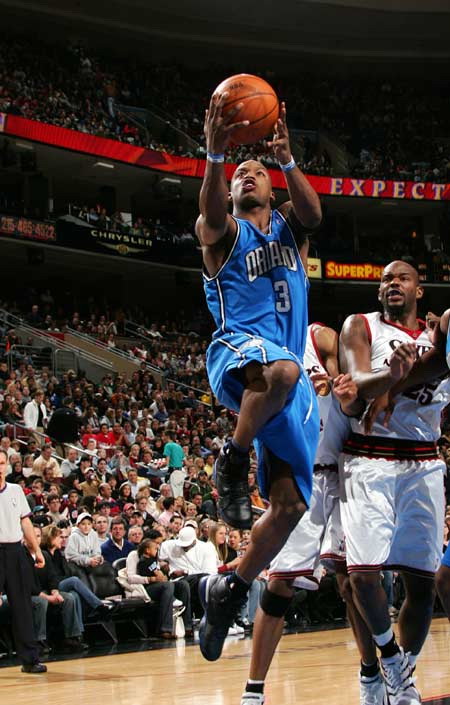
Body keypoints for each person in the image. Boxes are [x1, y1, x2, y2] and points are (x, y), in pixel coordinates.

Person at [196, 92, 321, 661]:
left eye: (256, 171)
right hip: (239, 352)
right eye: (238, 175)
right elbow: (210, 214)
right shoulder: (224, 233)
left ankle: (229, 590)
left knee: (290, 506)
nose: (247, 176)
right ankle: (231, 459)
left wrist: (287, 159)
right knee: (285, 370)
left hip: (284, 384)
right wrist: (215, 157)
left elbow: (314, 215)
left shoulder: (291, 230)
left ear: (272, 189)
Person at [239, 324, 374, 704]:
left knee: (352, 579)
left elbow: (354, 393)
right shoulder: (257, 352)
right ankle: (253, 691)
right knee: (279, 586)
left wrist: (334, 384)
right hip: (299, 477)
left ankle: (371, 673)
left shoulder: (319, 337)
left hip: (343, 471)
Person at [339, 260, 450, 705]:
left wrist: (399, 384)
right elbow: (356, 384)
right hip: (370, 459)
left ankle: (404, 674)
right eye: (386, 279)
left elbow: (438, 366)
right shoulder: (361, 325)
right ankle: (388, 658)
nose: (393, 284)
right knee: (363, 576)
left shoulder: (438, 336)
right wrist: (392, 377)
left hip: (424, 462)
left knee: (421, 584)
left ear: (419, 290)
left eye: (403, 278)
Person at [0, 449, 47, 673]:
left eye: (2, 463)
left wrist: (36, 550)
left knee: (22, 607)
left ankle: (30, 660)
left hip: (15, 551)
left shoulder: (16, 490)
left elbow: (26, 523)